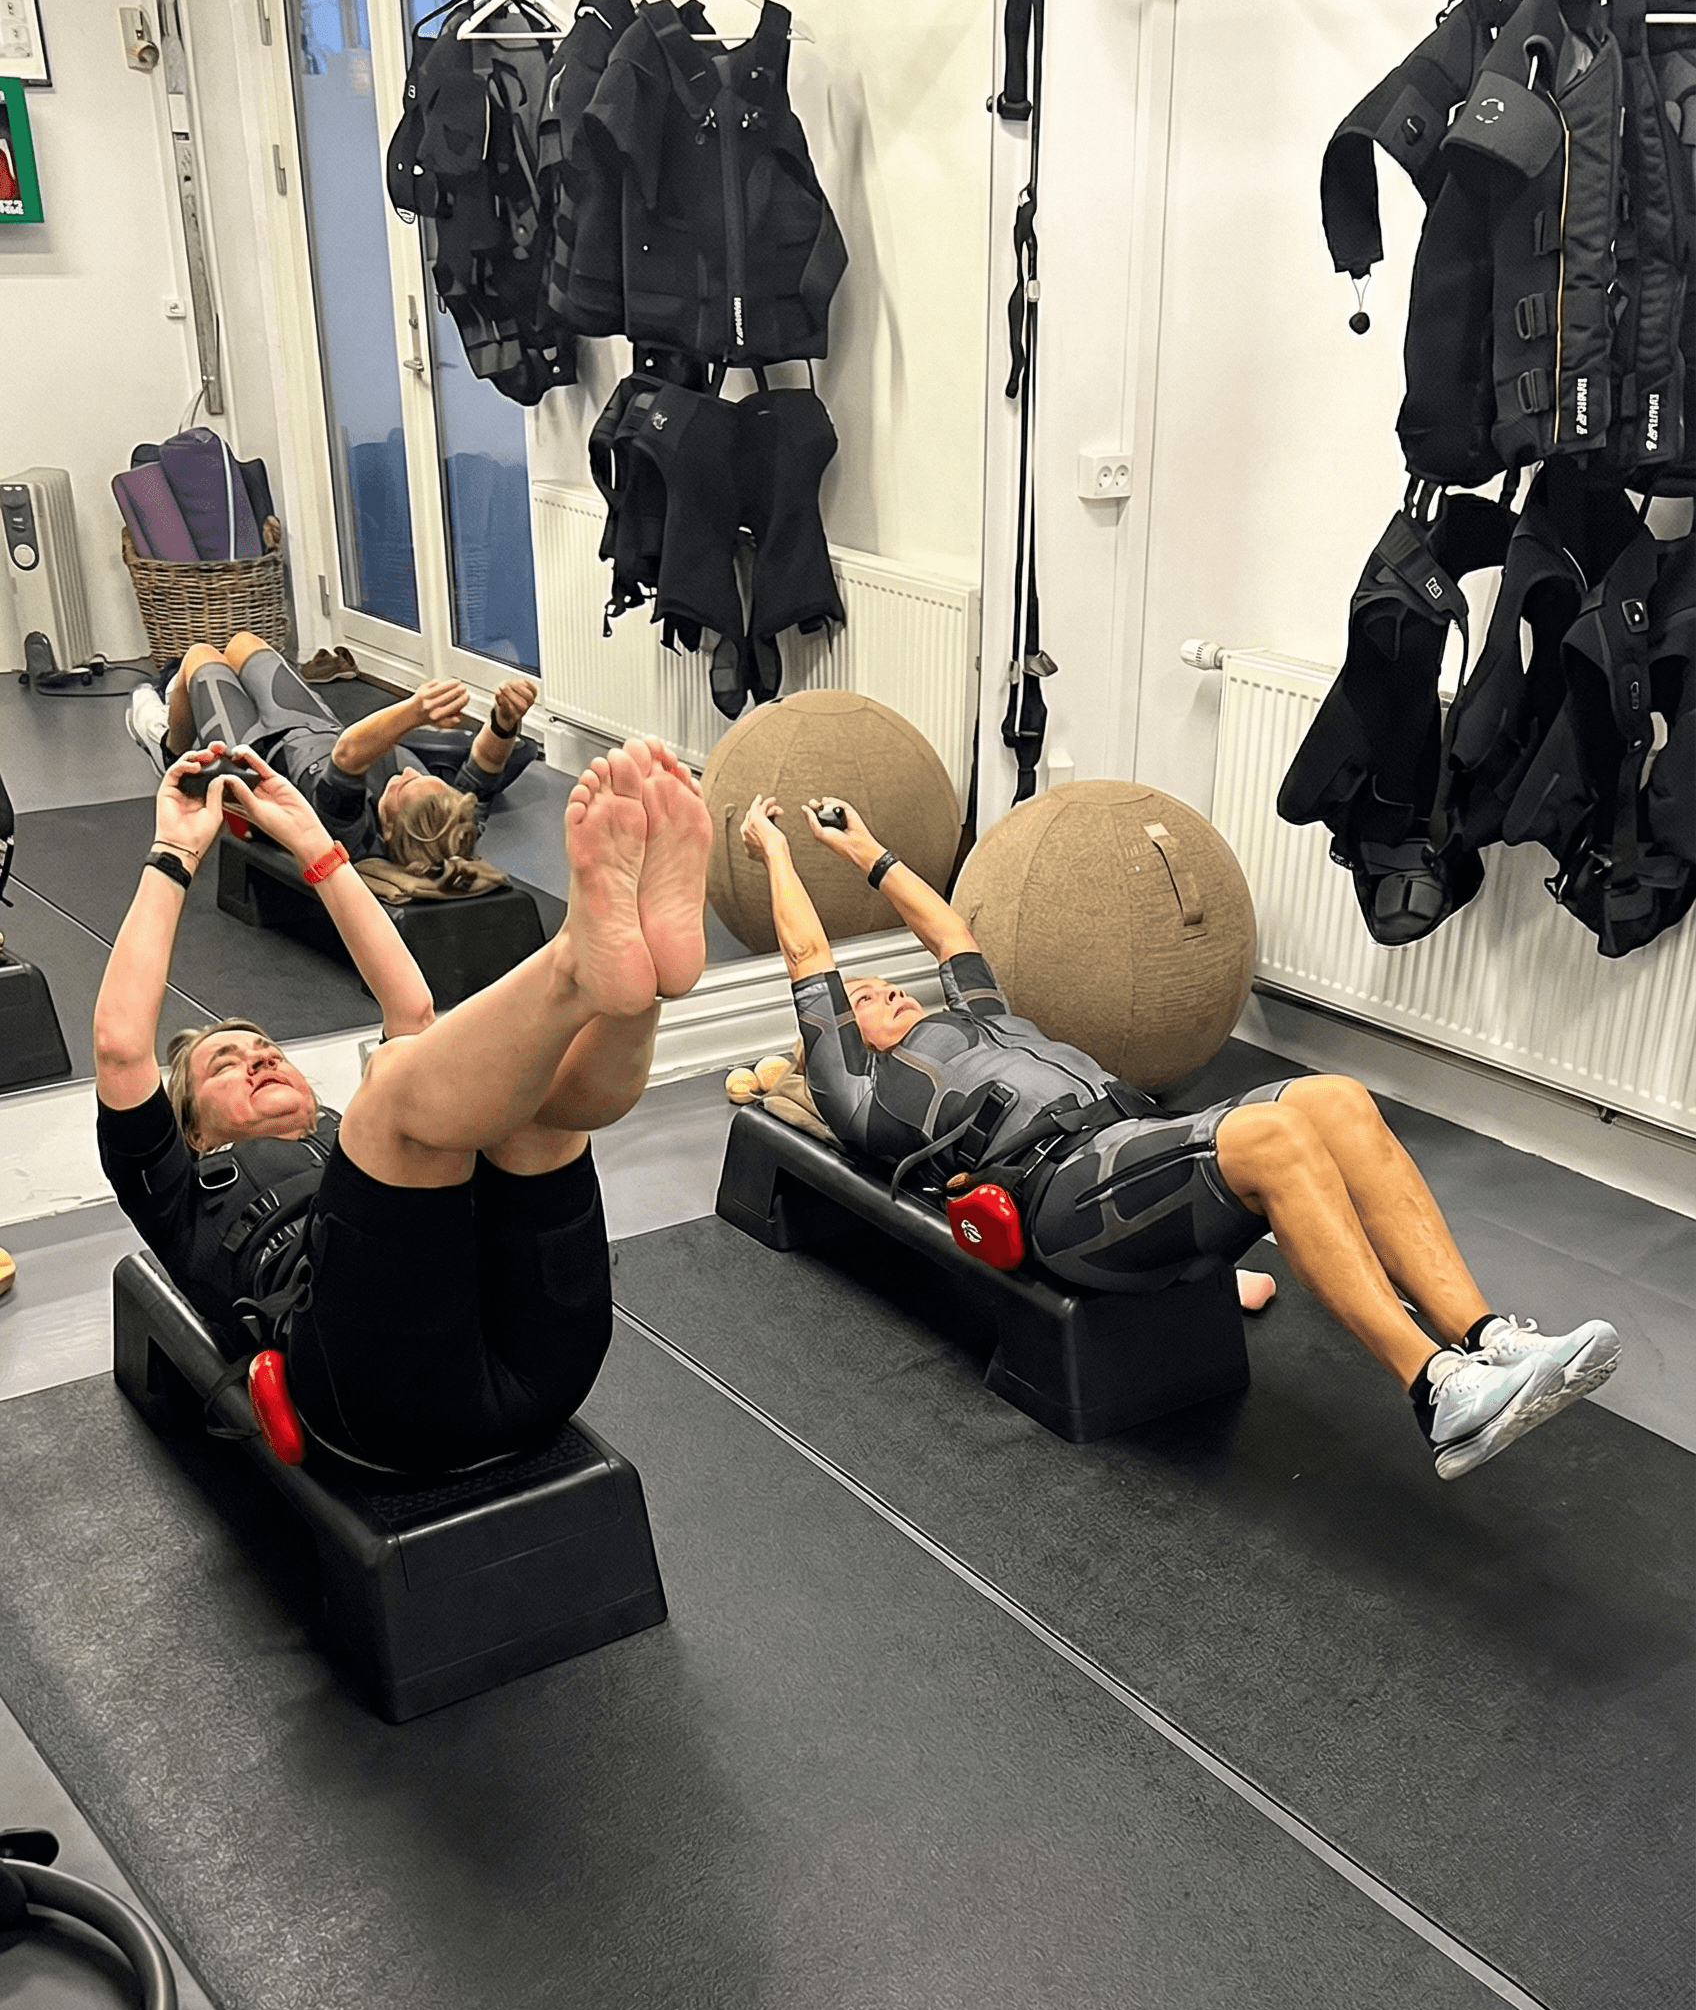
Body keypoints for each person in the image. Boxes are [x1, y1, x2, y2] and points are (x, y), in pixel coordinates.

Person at [739, 794, 1622, 1481]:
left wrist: (866, 851)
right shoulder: (859, 1090)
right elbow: (809, 958)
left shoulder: (976, 1017)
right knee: (1272, 1137)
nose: (887, 991)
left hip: (1136, 1144)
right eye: (863, 999)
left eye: (885, 984)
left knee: (1339, 1100)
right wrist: (777, 852)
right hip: (1064, 1201)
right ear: (841, 1038)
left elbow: (950, 932)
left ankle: (1488, 1339)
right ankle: (1436, 1389)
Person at [93, 732, 712, 1476]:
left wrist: (314, 842)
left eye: (268, 1051)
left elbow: (411, 1007)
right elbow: (121, 1048)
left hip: (548, 1350)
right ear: (192, 1130)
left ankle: (634, 993)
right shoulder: (176, 1192)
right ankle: (581, 963)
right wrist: (172, 853)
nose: (258, 1058)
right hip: (382, 1405)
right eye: (225, 1064)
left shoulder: (362, 1132)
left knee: (522, 1107)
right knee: (398, 1081)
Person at [129, 633, 539, 882]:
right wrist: (505, 721)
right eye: (420, 775)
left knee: (199, 657)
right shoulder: (453, 824)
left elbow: (348, 753)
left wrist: (415, 711)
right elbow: (486, 765)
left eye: (404, 786)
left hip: (256, 753)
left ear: (388, 828)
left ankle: (170, 751)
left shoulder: (352, 831)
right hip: (312, 728)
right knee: (242, 644)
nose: (407, 773)